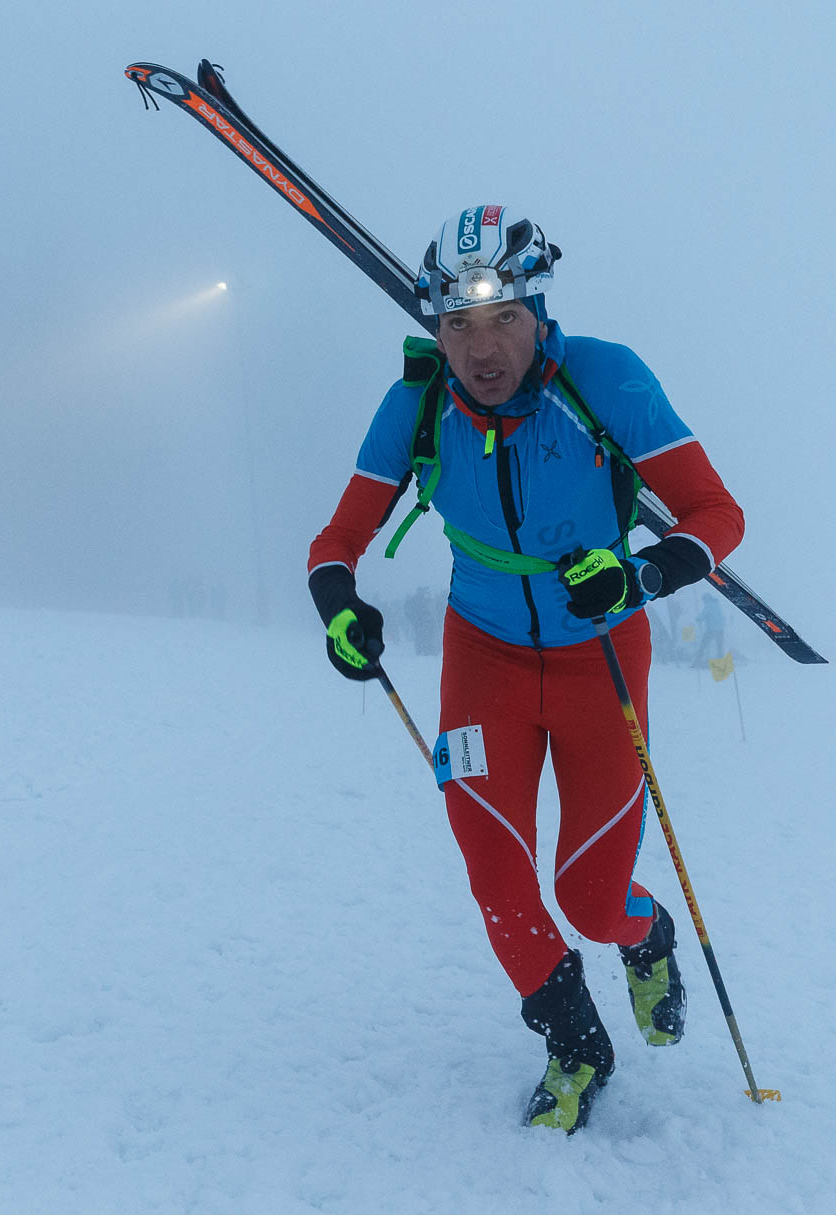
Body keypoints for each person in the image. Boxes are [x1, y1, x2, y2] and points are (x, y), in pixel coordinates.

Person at [305, 206, 745, 1133]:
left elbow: (714, 512)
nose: (482, 347)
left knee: (589, 896)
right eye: (457, 325)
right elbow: (334, 542)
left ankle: (646, 934)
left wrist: (643, 572)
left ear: (541, 311)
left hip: (600, 660)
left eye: (504, 317)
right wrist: (339, 605)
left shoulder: (606, 382)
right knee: (497, 876)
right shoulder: (419, 406)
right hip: (482, 663)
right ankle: (575, 1045)